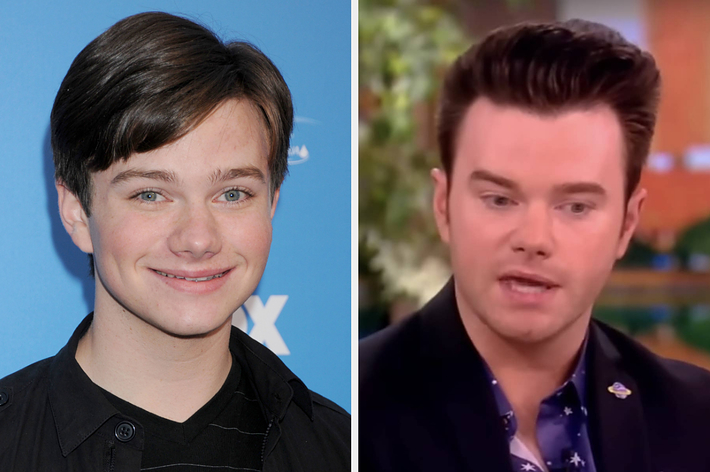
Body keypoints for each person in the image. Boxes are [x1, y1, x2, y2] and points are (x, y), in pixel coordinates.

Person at [0, 12, 349, 471]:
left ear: (272, 203)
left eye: (232, 193)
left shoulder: (342, 447)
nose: (198, 239)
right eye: (150, 194)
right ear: (76, 211)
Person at [360, 19, 710, 472]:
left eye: (576, 207)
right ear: (444, 205)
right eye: (500, 199)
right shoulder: (348, 412)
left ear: (627, 224)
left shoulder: (695, 418)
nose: (534, 240)